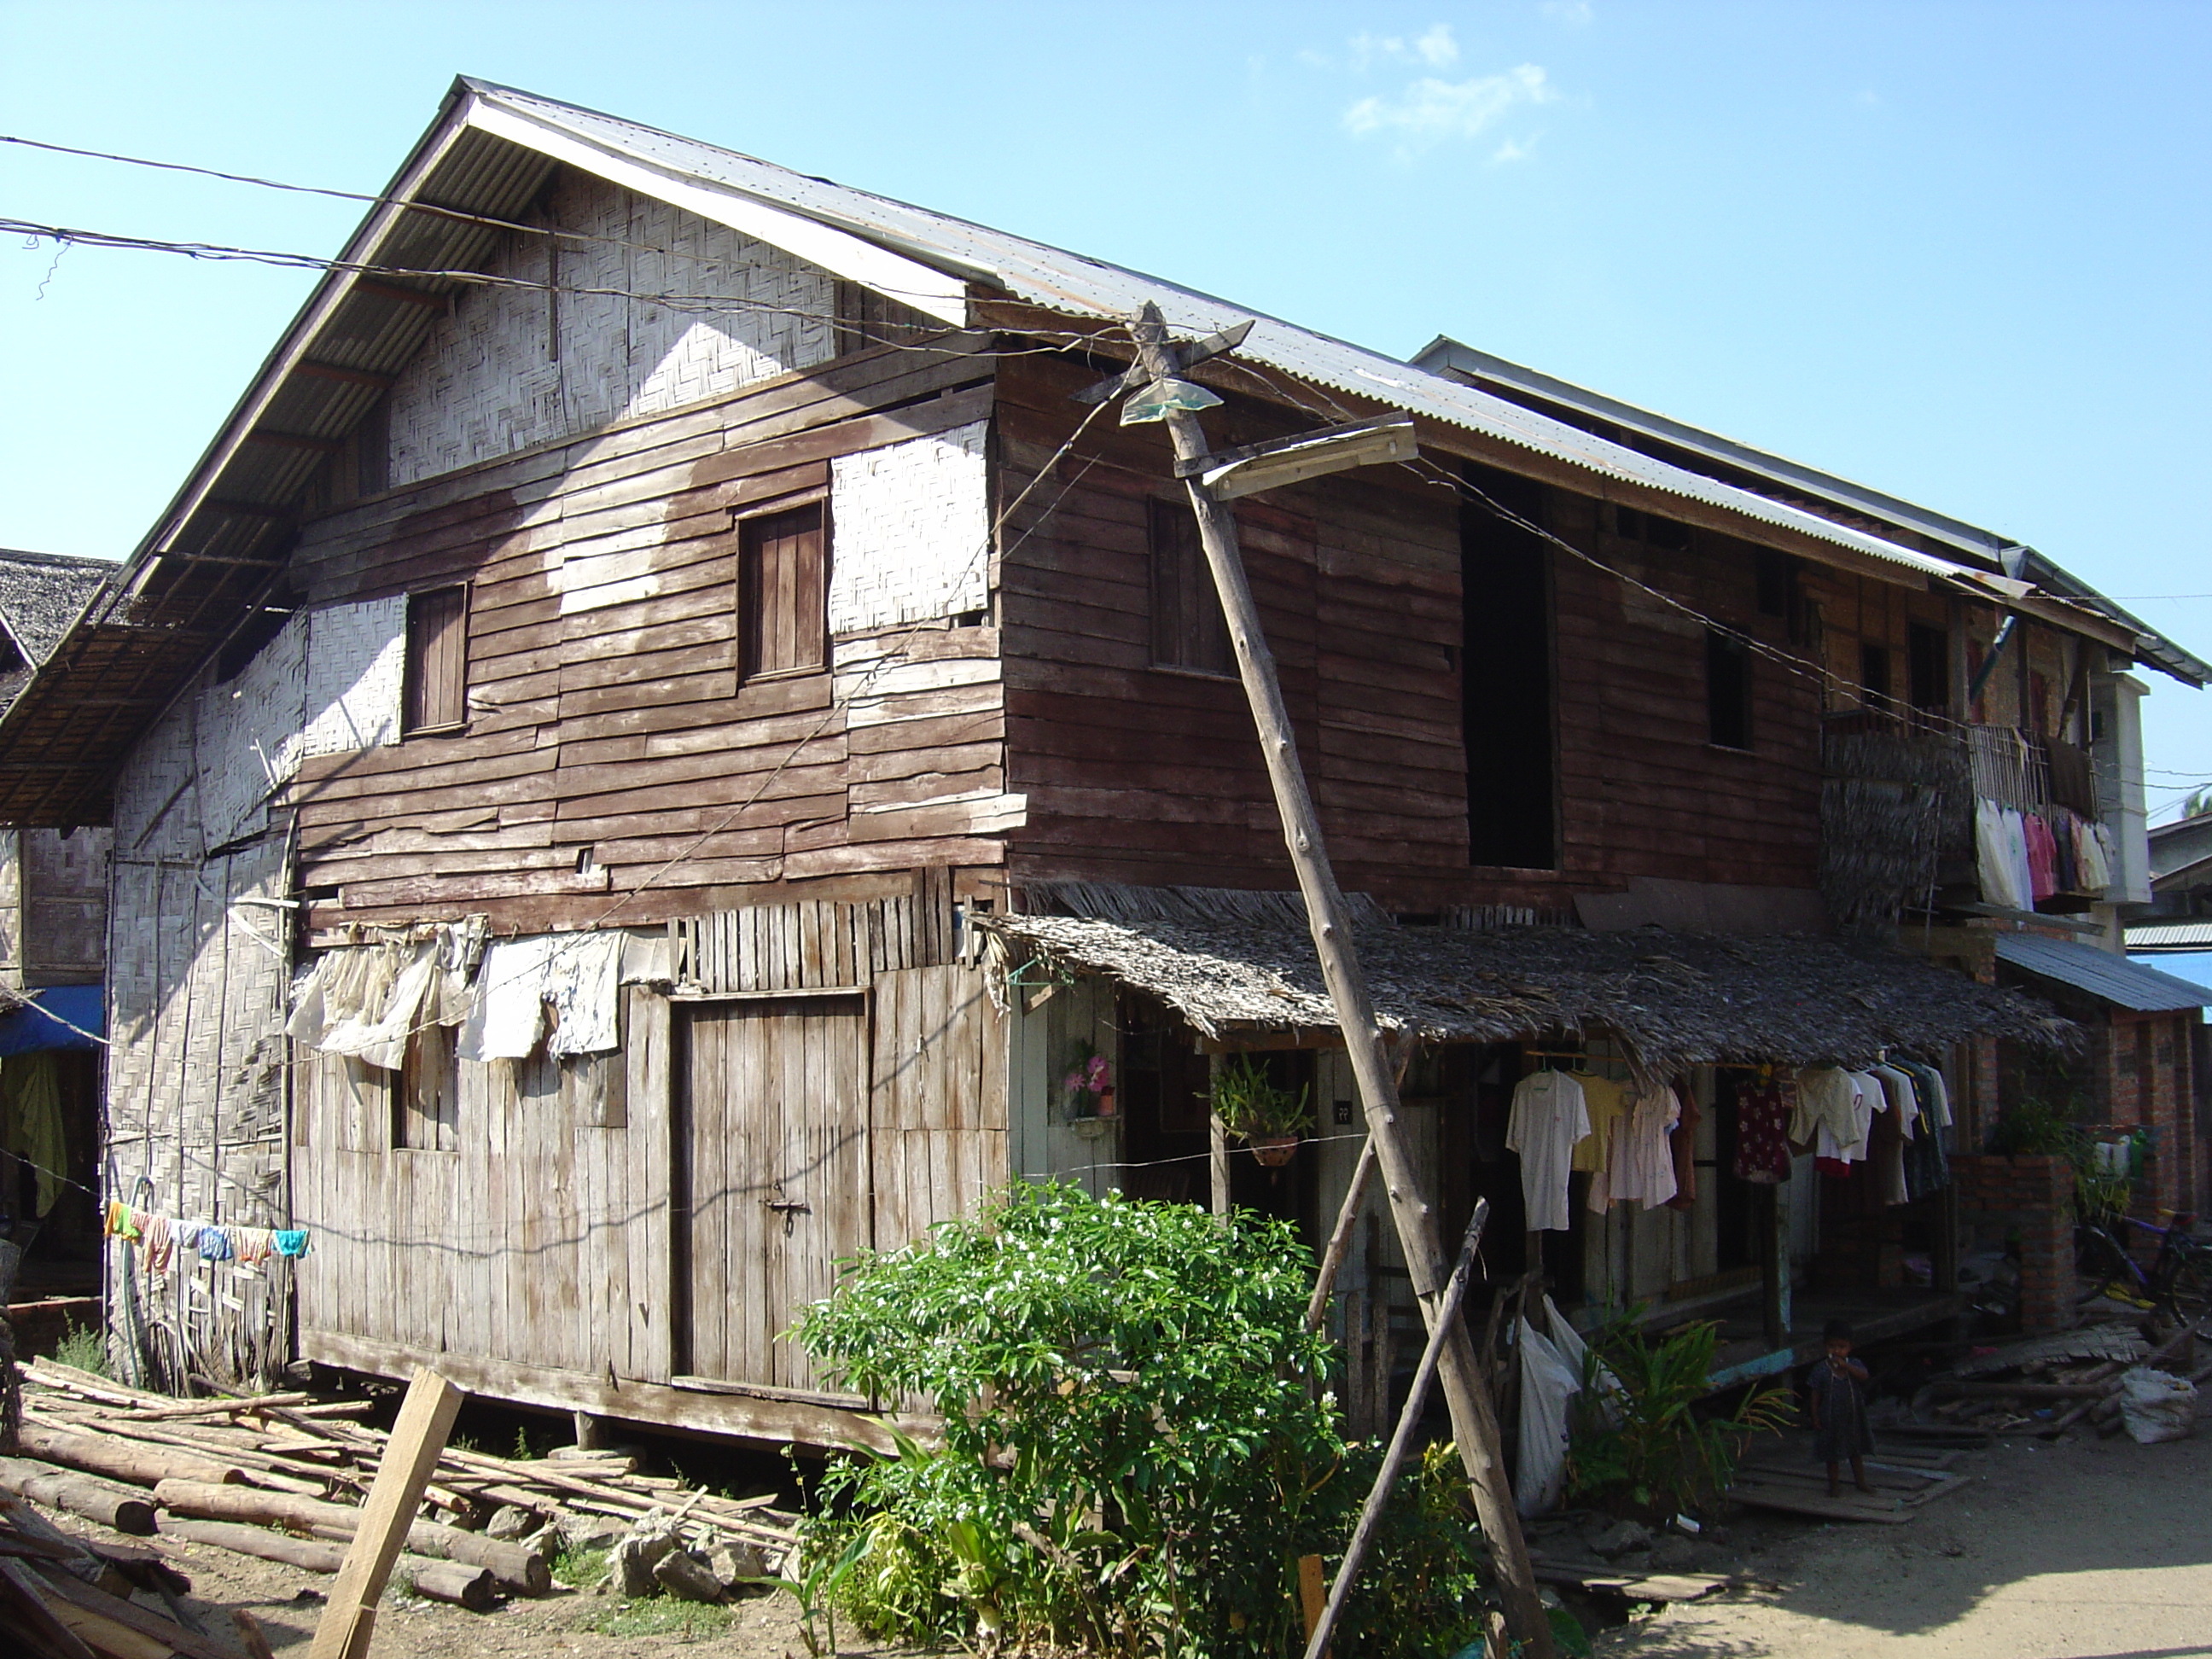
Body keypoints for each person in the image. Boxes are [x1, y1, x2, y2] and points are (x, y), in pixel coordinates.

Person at [1807, 1318, 1874, 1498]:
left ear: (1849, 1347)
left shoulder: (1854, 1364)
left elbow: (1864, 1376)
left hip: (1853, 1417)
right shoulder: (1821, 1369)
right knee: (1832, 1454)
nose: (1836, 1351)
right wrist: (1814, 1416)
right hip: (1830, 1418)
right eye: (1831, 1346)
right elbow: (1815, 1395)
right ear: (1825, 1347)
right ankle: (1834, 1486)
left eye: (1841, 1346)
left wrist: (1847, 1366)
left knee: (1856, 1451)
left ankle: (1861, 1482)